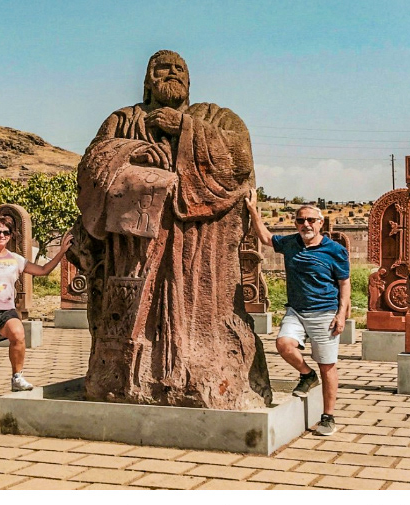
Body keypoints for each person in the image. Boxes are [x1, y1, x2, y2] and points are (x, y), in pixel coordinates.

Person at [72, 50, 271, 410]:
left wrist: (186, 129)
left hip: (198, 247)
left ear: (189, 81)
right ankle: (122, 377)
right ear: (147, 80)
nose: (172, 73)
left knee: (197, 312)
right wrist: (134, 151)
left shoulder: (215, 117)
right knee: (130, 316)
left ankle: (200, 372)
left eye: (180, 69)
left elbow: (240, 160)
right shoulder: (123, 120)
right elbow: (91, 165)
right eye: (162, 68)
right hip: (133, 249)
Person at [244, 189, 350, 435]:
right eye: (301, 220)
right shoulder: (291, 243)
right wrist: (252, 210)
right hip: (297, 311)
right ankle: (306, 374)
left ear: (320, 223)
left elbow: (344, 283)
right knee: (283, 344)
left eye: (311, 220)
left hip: (324, 312)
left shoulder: (334, 250)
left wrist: (342, 314)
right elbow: (266, 238)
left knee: (327, 366)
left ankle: (328, 416)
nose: (306, 224)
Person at [0, 213, 72, 421]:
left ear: (11, 235)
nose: (1, 235)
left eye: (6, 232)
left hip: (5, 310)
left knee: (18, 334)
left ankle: (17, 376)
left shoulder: (16, 259)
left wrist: (61, 253)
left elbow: (43, 270)